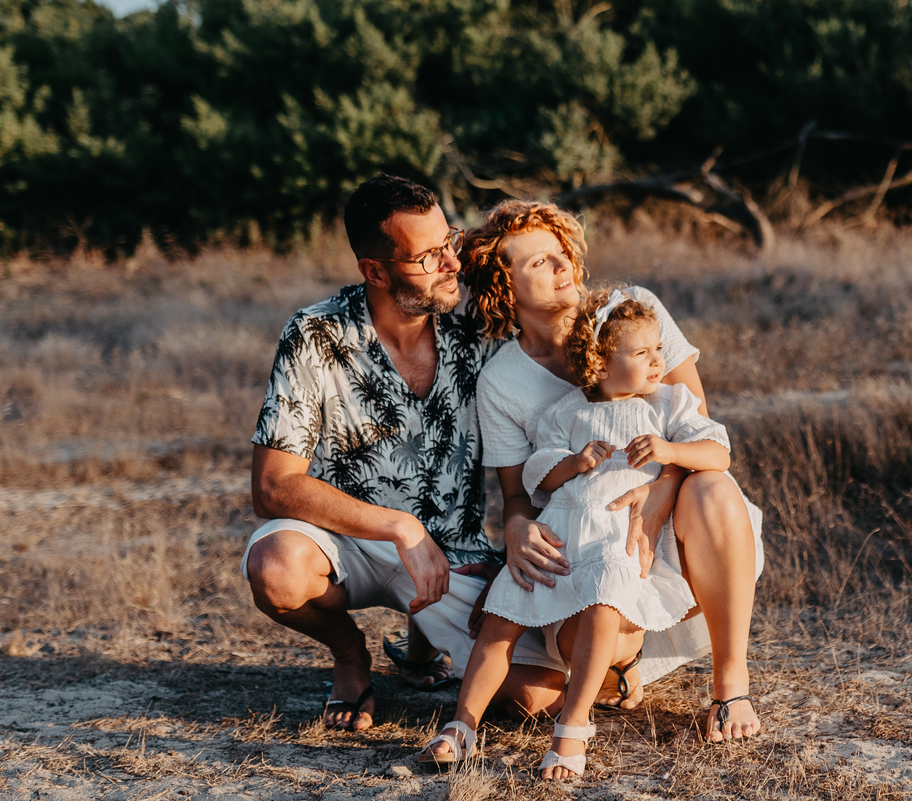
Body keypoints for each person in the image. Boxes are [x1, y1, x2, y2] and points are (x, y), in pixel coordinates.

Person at [243, 175, 579, 731]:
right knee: (276, 568)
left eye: (450, 241)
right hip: (344, 541)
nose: (451, 263)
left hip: (457, 553)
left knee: (535, 700)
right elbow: (272, 487)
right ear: (375, 271)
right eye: (428, 257)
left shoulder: (480, 324)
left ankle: (422, 645)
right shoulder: (315, 332)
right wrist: (401, 527)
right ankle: (351, 657)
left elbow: (558, 337)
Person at [456, 200, 765, 742]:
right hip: (582, 540)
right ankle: (618, 668)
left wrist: (657, 502)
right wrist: (517, 531)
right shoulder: (502, 381)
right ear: (504, 289)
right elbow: (519, 495)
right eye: (539, 262)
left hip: (675, 529)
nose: (563, 266)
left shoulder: (633, 310)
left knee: (713, 488)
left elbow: (693, 432)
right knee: (529, 699)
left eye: (561, 251)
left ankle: (730, 685)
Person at [420, 290, 737, 778]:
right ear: (601, 364)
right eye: (642, 352)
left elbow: (719, 452)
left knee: (603, 605)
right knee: (501, 617)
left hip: (615, 540)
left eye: (658, 349)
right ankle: (462, 724)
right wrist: (574, 462)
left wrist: (671, 451)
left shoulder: (668, 404)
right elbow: (538, 476)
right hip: (561, 535)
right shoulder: (567, 412)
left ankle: (572, 725)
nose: (658, 361)